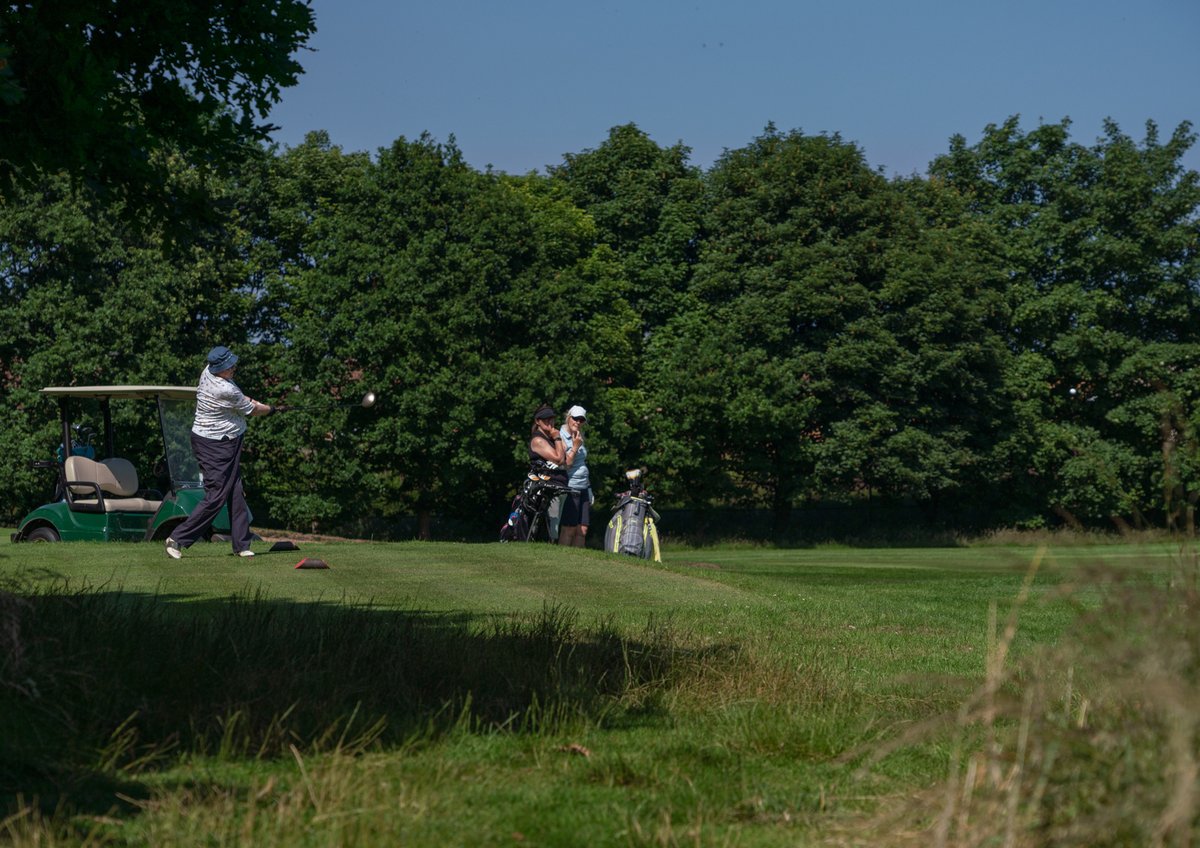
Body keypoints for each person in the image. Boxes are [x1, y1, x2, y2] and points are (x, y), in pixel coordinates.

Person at [165, 346, 273, 559]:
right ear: (218, 368)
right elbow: (253, 410)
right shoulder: (223, 389)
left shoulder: (208, 371)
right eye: (228, 366)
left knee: (235, 491)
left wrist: (256, 402)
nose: (233, 368)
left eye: (232, 364)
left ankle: (241, 545)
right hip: (215, 445)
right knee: (217, 495)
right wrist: (272, 409)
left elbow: (243, 400)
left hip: (227, 440)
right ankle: (177, 539)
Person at [558, 404, 591, 547]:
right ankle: (562, 557)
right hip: (570, 487)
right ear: (568, 418)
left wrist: (589, 488)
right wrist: (576, 447)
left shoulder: (578, 435)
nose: (578, 422)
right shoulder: (560, 437)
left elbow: (582, 463)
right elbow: (566, 464)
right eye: (575, 418)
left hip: (584, 486)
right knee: (569, 528)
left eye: (581, 420)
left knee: (582, 529)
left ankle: (578, 558)